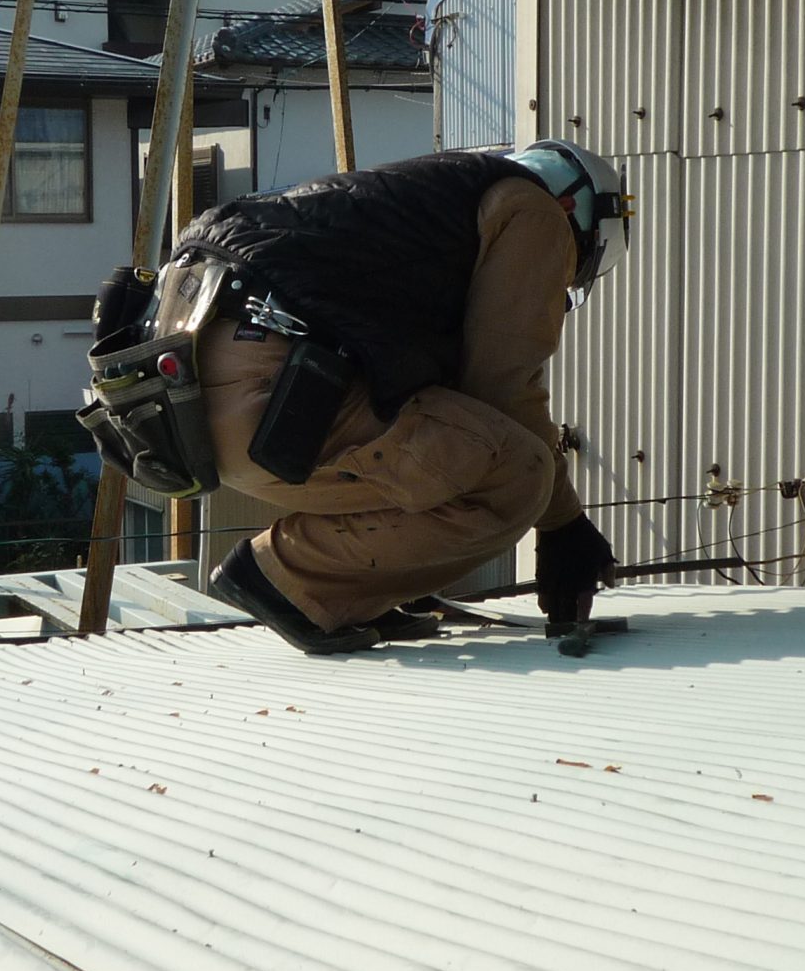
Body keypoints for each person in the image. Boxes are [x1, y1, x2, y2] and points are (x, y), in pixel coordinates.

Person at [79, 141, 630, 653]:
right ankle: (285, 578)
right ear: (574, 211)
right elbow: (503, 386)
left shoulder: (430, 195)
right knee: (515, 472)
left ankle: (352, 595)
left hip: (196, 418)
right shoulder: (533, 211)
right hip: (280, 390)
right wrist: (562, 527)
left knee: (440, 440)